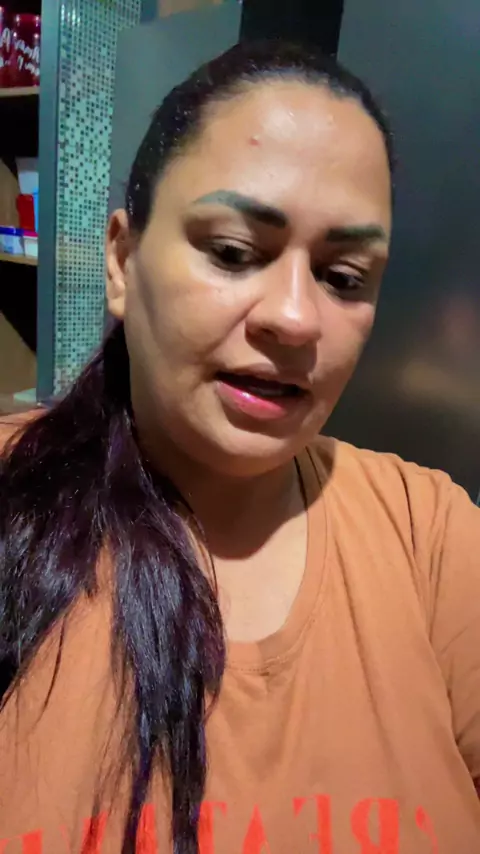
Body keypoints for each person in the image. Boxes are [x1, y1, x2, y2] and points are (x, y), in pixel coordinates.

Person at [0, 39, 479, 854]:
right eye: (232, 252)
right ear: (122, 261)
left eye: (344, 277)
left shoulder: (428, 536)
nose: (294, 318)